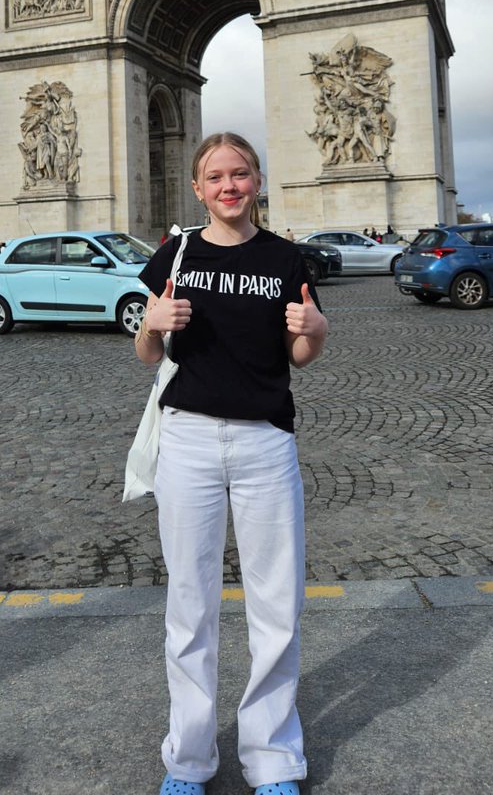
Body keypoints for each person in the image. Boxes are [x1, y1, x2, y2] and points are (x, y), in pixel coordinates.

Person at [135, 131, 328, 795]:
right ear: (197, 188)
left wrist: (317, 334)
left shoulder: (284, 258)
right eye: (215, 176)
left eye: (240, 174)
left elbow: (298, 353)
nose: (228, 186)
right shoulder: (175, 254)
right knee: (189, 603)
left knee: (276, 603)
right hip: (187, 440)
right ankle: (187, 760)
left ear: (258, 182)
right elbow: (146, 353)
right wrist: (151, 320)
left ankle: (272, 756)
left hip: (265, 442)